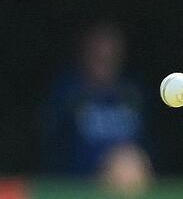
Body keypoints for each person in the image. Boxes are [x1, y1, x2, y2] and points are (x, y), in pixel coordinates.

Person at [40, 22, 147, 176]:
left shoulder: (132, 94)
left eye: (110, 49)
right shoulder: (68, 92)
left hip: (131, 176)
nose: (104, 52)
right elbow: (50, 142)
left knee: (129, 161)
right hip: (79, 181)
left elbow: (148, 144)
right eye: (97, 49)